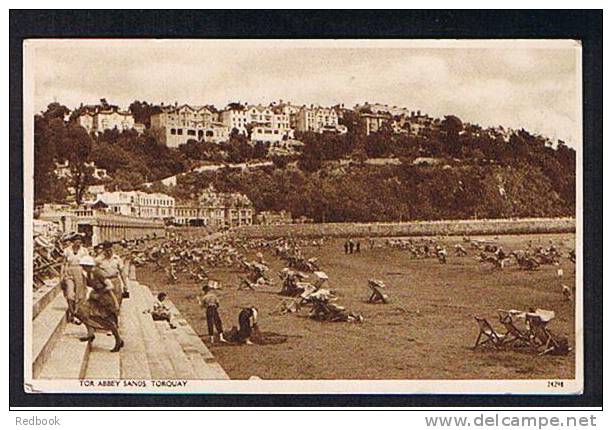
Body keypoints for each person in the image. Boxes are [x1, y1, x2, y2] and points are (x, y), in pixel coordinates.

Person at [75, 256, 124, 352]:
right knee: (81, 311)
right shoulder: (88, 274)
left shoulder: (98, 272)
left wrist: (112, 301)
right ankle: (90, 333)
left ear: (89, 266)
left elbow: (110, 286)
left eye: (84, 266)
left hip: (105, 299)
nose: (83, 268)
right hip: (95, 298)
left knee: (108, 320)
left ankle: (118, 340)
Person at [60, 234, 89, 322]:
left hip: (80, 271)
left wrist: (87, 274)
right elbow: (63, 263)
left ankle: (76, 313)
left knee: (79, 294)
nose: (78, 243)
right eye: (77, 241)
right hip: (69, 272)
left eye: (80, 242)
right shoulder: (67, 250)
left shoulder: (84, 251)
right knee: (69, 294)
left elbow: (87, 263)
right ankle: (72, 311)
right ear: (73, 241)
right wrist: (61, 275)